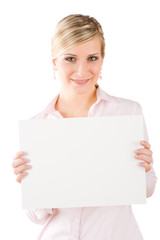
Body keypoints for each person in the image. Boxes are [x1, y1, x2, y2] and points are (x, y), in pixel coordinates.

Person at [12, 14, 157, 240]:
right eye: (70, 59)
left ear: (102, 60)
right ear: (54, 62)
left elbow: (147, 189)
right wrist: (31, 183)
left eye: (92, 58)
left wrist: (145, 169)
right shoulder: (38, 127)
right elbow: (37, 216)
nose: (82, 71)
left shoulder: (127, 113)